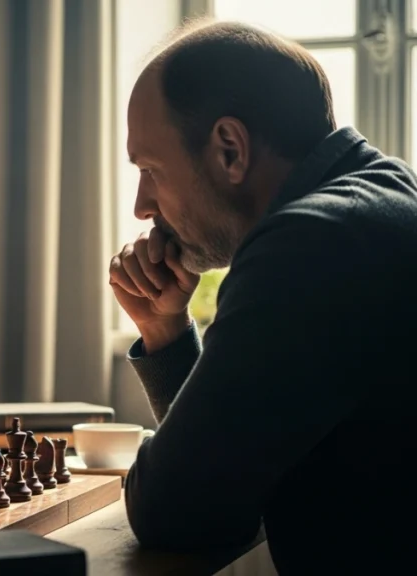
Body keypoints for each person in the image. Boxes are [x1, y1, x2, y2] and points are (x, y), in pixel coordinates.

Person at [111, 20, 417, 575]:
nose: (141, 206)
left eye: (151, 170)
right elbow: (225, 485)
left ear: (230, 149)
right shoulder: (384, 195)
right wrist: (165, 331)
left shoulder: (311, 244)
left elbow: (176, 510)